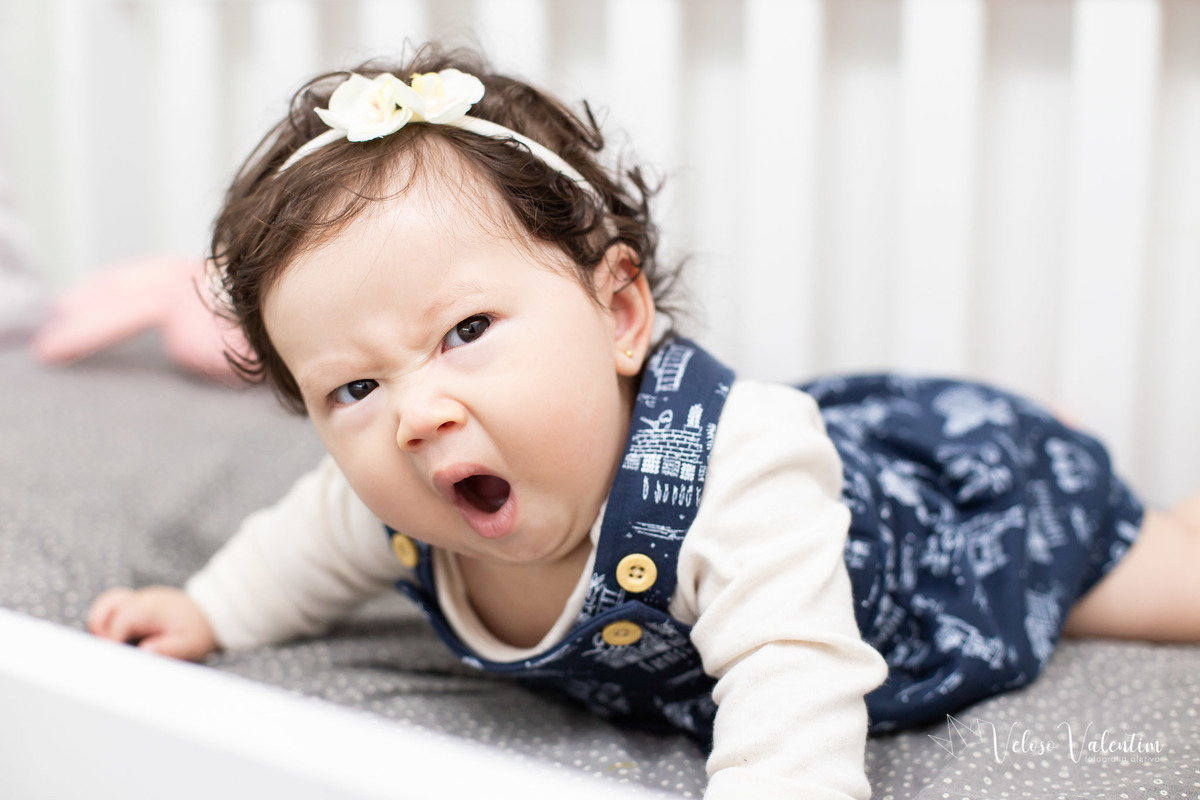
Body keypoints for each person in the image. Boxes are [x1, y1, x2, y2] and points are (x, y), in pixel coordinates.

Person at [86, 45, 1200, 800]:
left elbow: (792, 685)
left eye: (466, 330)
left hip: (947, 554)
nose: (417, 412)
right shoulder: (391, 499)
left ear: (620, 313)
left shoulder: (740, 479)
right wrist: (208, 608)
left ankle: (1070, 477)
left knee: (1160, 585)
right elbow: (300, 546)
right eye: (354, 391)